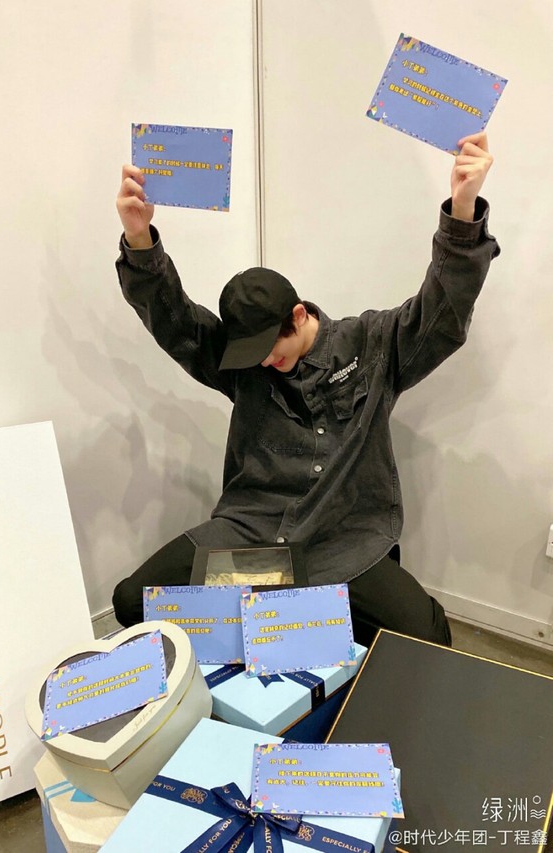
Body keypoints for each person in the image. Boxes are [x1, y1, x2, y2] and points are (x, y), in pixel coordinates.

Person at [112, 132, 499, 647]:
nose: (264, 363)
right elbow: (176, 322)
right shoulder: (243, 362)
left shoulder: (371, 345)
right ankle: (279, 624)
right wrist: (139, 238)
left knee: (426, 639)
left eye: (271, 348)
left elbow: (442, 313)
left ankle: (286, 620)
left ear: (298, 315)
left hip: (343, 541)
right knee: (131, 599)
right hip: (250, 535)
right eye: (251, 354)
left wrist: (463, 209)